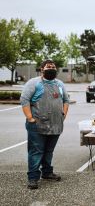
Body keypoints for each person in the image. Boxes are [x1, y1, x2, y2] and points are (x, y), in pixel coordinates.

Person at [20, 60, 69, 189]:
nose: (51, 68)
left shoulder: (60, 84)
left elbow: (66, 100)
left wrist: (63, 115)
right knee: (36, 151)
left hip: (56, 125)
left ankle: (47, 172)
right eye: (48, 67)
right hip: (37, 125)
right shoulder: (34, 83)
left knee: (49, 151)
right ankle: (33, 178)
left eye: (53, 67)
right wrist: (30, 117)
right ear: (42, 69)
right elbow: (24, 99)